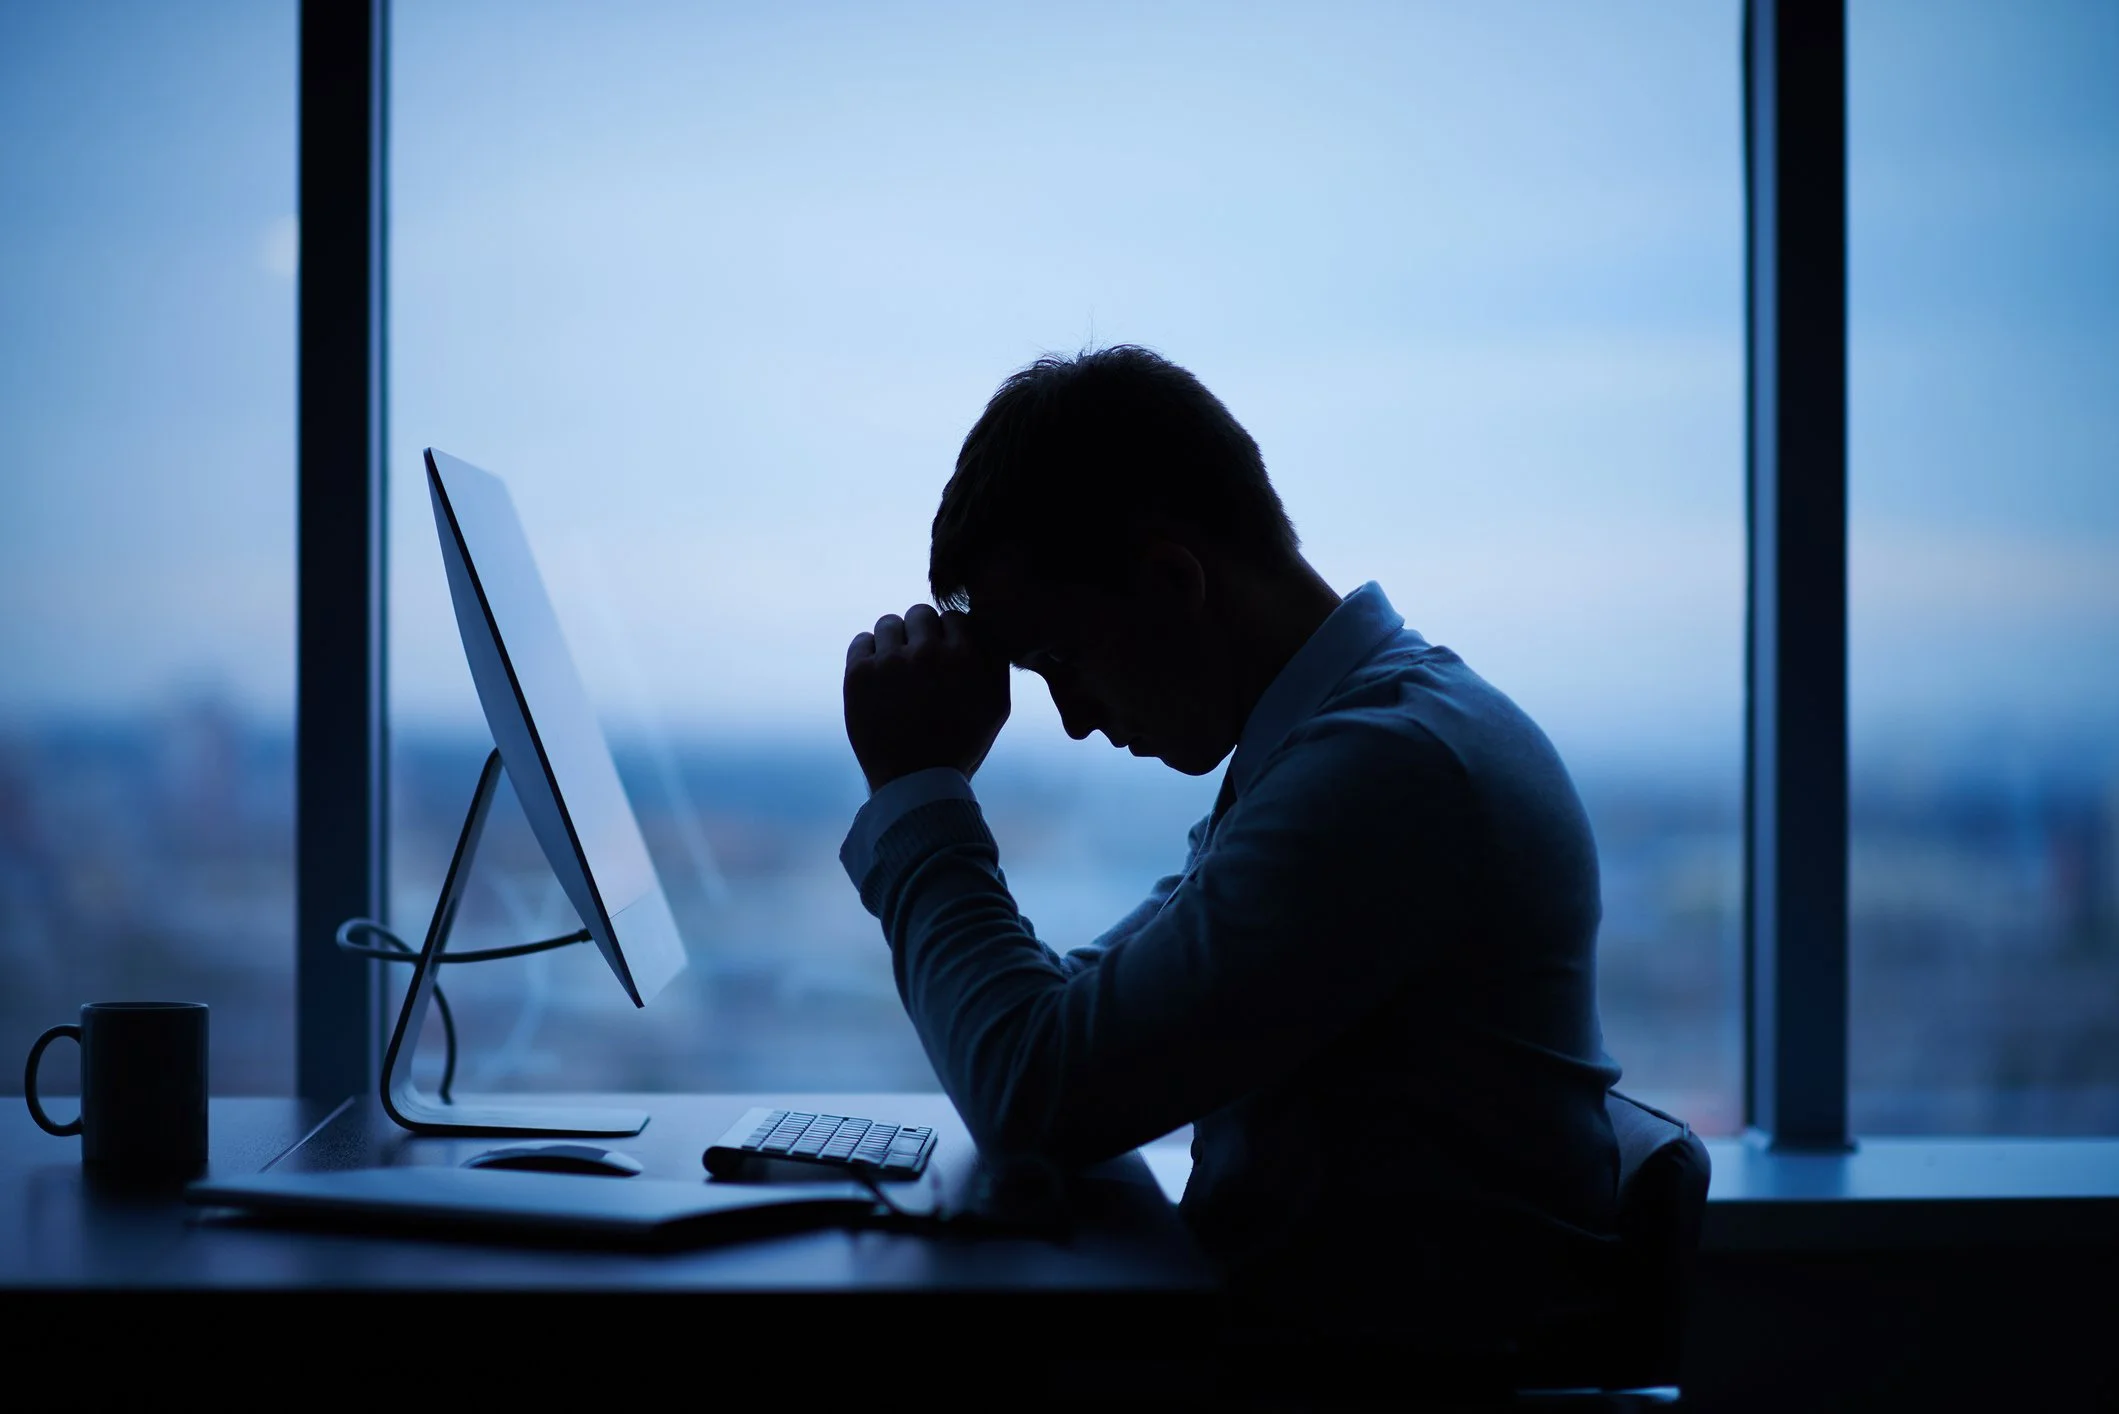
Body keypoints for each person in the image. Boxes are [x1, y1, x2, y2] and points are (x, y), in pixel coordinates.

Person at [838, 345, 1623, 1353]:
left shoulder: (1388, 777)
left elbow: (1035, 1089)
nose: (1073, 718)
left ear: (1171, 580)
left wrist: (916, 788)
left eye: (1060, 661)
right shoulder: (1351, 742)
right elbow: (1075, 1029)